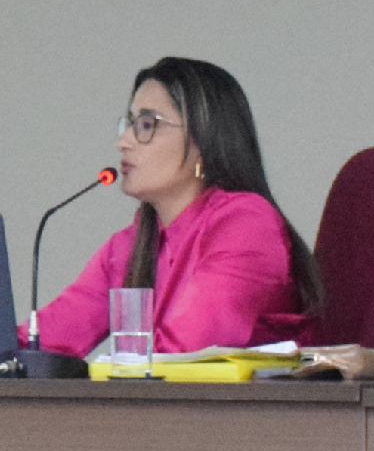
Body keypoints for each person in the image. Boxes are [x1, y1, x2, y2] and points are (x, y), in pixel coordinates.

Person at [31, 57, 321, 358]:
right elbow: (44, 339)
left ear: (202, 142)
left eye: (146, 125)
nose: (123, 142)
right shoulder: (128, 247)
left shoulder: (246, 224)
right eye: (129, 124)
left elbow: (188, 349)